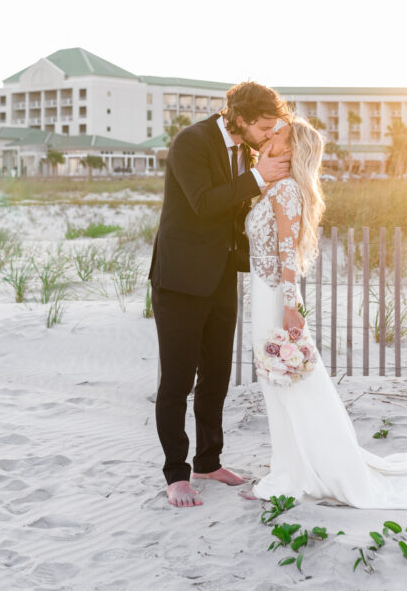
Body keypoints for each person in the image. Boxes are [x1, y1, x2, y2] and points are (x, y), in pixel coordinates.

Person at [246, 117, 407, 507]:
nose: (269, 136)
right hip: (264, 293)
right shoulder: (275, 188)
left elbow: (288, 254)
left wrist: (290, 307)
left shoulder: (286, 191)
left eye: (278, 134)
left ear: (290, 151)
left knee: (290, 384)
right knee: (279, 385)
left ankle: (297, 472)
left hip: (275, 298)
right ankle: (289, 467)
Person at [149, 81, 292, 508]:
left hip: (220, 279)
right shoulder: (191, 142)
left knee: (216, 376)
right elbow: (202, 204)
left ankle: (208, 462)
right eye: (264, 127)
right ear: (242, 120)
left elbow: (236, 213)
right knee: (177, 380)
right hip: (179, 281)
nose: (269, 135)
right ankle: (176, 474)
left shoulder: (248, 153)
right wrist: (256, 178)